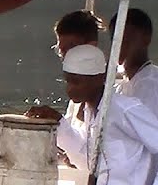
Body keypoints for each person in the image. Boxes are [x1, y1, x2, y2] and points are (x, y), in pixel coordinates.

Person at [57, 45, 158, 185]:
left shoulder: (125, 109)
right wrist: (58, 123)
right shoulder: (90, 110)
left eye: (76, 81)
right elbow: (86, 162)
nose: (70, 88)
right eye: (68, 81)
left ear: (98, 79)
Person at [28, 10, 106, 172]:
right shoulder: (76, 98)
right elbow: (73, 149)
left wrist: (59, 123)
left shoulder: (112, 101)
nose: (65, 57)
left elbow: (95, 165)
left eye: (71, 49)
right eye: (61, 51)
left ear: (91, 47)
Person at [109, 8, 158, 126]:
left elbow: (140, 134)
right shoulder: (125, 80)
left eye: (127, 40)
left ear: (146, 39)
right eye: (115, 40)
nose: (120, 46)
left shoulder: (151, 86)